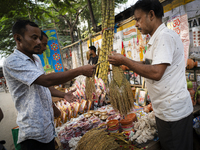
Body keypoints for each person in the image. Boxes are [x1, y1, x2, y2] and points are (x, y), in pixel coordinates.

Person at [108, 0, 193, 150]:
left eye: (138, 19)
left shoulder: (164, 37)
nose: (136, 24)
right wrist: (125, 63)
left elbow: (156, 72)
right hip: (165, 112)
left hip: (173, 114)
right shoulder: (156, 39)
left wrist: (125, 60)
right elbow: (149, 65)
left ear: (151, 15)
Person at [3, 20, 95, 150]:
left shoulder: (36, 59)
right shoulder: (13, 61)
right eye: (34, 38)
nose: (39, 42)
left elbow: (43, 86)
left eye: (39, 38)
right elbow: (45, 80)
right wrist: (80, 70)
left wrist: (63, 95)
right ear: (18, 38)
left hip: (47, 130)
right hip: (33, 135)